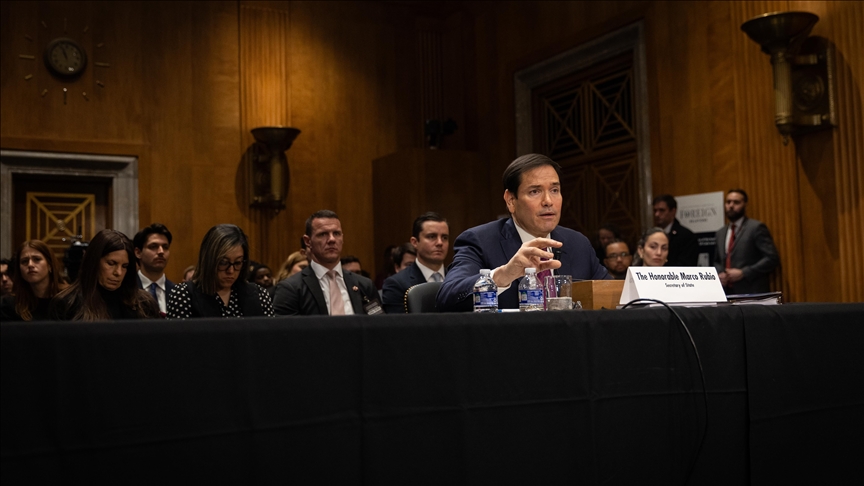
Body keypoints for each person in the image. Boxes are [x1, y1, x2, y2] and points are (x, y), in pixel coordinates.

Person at [437, 154, 609, 311]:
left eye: (554, 190)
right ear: (511, 200)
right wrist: (504, 274)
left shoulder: (578, 244)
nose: (548, 201)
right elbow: (447, 298)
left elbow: (613, 295)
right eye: (535, 191)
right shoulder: (480, 241)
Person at [272, 210, 379, 316]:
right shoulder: (290, 289)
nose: (332, 239)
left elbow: (378, 323)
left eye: (336, 233)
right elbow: (288, 327)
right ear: (308, 241)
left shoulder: (364, 285)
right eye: (323, 234)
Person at [49, 229, 160, 321]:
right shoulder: (67, 303)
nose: (118, 272)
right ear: (94, 262)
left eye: (124, 266)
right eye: (111, 263)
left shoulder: (144, 304)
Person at [167, 224, 274, 319]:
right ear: (209, 260)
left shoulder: (259, 295)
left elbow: (270, 334)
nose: (231, 271)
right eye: (223, 263)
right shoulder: (184, 294)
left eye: (237, 263)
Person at [714, 189, 780, 294]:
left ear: (745, 205)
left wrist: (744, 272)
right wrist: (720, 273)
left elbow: (771, 258)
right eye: (728, 202)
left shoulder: (756, 228)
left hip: (751, 291)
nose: (731, 205)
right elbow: (717, 261)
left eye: (736, 202)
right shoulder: (720, 233)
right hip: (726, 292)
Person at [382, 212, 449, 314]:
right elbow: (397, 323)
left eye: (444, 237)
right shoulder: (396, 284)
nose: (440, 243)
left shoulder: (459, 279)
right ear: (415, 242)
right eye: (432, 236)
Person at [0, 241, 63, 321]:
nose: (30, 265)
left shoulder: (68, 299)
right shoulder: (10, 305)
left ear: (50, 265)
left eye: (37, 259)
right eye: (24, 261)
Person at [133, 223, 175, 315]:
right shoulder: (127, 289)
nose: (161, 252)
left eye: (165, 247)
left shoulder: (177, 291)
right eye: (153, 246)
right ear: (138, 253)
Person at [653, 194, 698, 267]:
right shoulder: (650, 235)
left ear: (673, 211)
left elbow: (686, 266)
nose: (657, 214)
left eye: (661, 210)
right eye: (655, 211)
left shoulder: (686, 236)